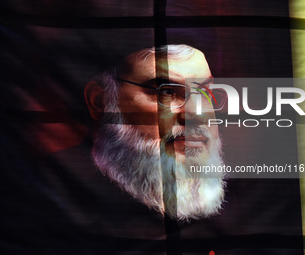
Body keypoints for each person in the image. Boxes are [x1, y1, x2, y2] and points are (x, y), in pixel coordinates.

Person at [84, 44, 226, 221]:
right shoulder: (60, 193)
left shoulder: (244, 206)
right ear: (100, 101)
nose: (197, 115)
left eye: (205, 93)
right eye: (167, 92)